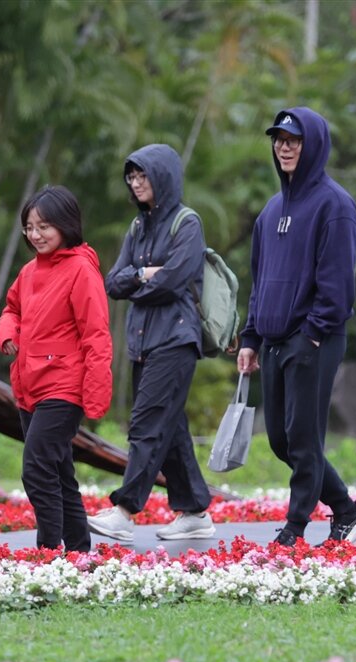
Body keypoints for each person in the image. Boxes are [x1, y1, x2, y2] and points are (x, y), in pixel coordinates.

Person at [236, 107, 356, 548]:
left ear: (313, 144)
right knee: (281, 439)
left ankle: (295, 528)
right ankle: (348, 510)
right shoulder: (272, 209)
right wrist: (251, 337)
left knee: (303, 436)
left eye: (293, 140)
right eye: (278, 140)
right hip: (274, 340)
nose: (284, 147)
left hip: (315, 337)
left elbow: (337, 285)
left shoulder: (335, 205)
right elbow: (261, 280)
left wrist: (312, 333)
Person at [90, 144, 215, 543]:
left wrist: (138, 281)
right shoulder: (137, 227)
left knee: (145, 424)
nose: (135, 182)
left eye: (142, 174)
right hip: (143, 341)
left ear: (162, 176)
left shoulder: (187, 223)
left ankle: (125, 511)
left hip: (176, 339)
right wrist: (145, 273)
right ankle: (194, 508)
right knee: (171, 427)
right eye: (131, 176)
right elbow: (113, 283)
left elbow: (174, 281)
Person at [0, 185, 113, 552]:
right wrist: (8, 335)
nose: (35, 234)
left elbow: (97, 336)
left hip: (64, 387)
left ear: (65, 225)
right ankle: (79, 551)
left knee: (36, 468)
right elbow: (11, 309)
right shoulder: (28, 272)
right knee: (60, 473)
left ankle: (47, 553)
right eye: (29, 227)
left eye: (44, 226)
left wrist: (94, 396)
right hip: (29, 385)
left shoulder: (81, 270)